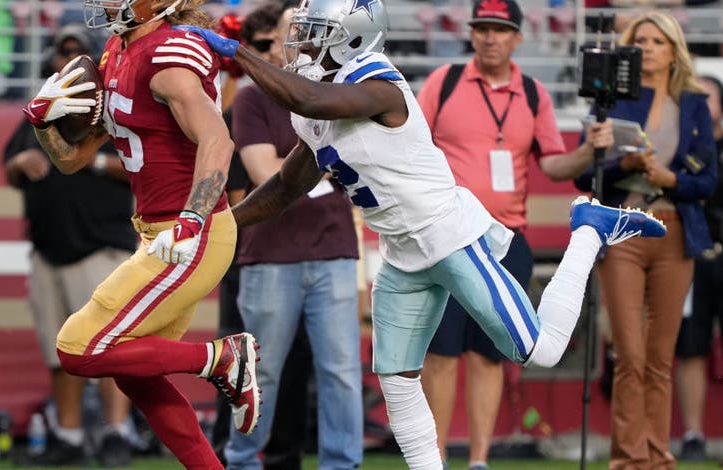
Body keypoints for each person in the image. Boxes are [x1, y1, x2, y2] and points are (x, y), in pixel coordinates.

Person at [180, 0, 668, 466]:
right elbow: (285, 187)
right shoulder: (315, 100)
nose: (302, 44)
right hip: (401, 251)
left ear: (352, 39)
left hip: (447, 237)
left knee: (540, 350)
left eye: (316, 34)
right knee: (396, 378)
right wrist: (219, 223)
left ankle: (587, 229)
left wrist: (234, 53)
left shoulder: (377, 81)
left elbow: (310, 98)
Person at [21, 0, 260, 467]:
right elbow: (72, 161)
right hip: (157, 234)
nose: (107, 2)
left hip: (194, 230)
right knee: (132, 368)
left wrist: (191, 218)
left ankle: (221, 359)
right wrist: (43, 123)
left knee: (79, 347)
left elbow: (218, 139)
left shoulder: (169, 53)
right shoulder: (115, 51)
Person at [415, 1, 613, 468]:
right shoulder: (442, 83)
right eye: (481, 28)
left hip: (507, 239)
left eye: (499, 30)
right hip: (446, 238)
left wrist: (588, 149)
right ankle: (436, 459)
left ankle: (479, 460)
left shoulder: (533, 92)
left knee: (489, 357)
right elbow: (413, 151)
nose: (489, 38)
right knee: (441, 356)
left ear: (517, 37)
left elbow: (553, 164)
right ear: (471, 33)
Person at [573, 11, 718, 469]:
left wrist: (669, 177)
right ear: (628, 51)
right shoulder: (611, 100)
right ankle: (627, 458)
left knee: (660, 356)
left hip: (676, 232)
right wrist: (625, 165)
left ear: (674, 48)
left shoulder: (694, 102)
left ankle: (657, 457)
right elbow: (585, 175)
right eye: (641, 41)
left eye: (658, 40)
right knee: (630, 355)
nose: (649, 48)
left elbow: (708, 181)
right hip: (625, 229)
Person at [223, 4, 364, 470]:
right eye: (298, 31)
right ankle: (241, 461)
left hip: (335, 253)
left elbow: (359, 172)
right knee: (258, 374)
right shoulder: (251, 98)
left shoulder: (343, 92)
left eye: (315, 31)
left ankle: (342, 465)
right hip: (270, 257)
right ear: (282, 41)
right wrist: (330, 171)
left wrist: (306, 174)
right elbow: (267, 176)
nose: (307, 39)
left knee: (342, 374)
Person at [4, 28, 137, 467]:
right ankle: (69, 433)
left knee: (108, 347)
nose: (68, 60)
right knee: (60, 353)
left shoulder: (110, 110)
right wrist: (20, 163)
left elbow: (140, 165)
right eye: (62, 54)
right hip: (48, 249)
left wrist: (91, 162)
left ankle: (118, 432)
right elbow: (10, 166)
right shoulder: (40, 112)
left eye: (76, 53)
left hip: (100, 246)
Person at [210, 7, 315, 468]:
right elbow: (241, 187)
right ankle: (232, 453)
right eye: (264, 45)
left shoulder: (305, 101)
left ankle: (283, 453)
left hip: (303, 247)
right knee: (243, 364)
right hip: (247, 253)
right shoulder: (241, 105)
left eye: (280, 41)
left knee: (295, 365)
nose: (278, 51)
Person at [673, 74, 723, 463]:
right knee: (690, 346)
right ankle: (693, 433)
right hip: (692, 254)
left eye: (709, 98)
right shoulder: (680, 149)